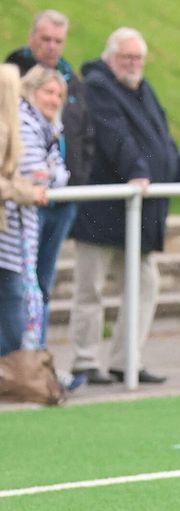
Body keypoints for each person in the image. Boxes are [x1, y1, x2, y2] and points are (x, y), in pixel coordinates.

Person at [68, 28, 180, 385]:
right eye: (126, 57)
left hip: (136, 214)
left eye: (138, 58)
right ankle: (84, 361)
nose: (132, 64)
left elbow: (163, 140)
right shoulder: (98, 87)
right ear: (111, 58)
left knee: (144, 283)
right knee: (91, 287)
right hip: (102, 209)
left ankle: (125, 359)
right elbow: (116, 137)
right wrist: (137, 172)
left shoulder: (144, 89)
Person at [6, 9, 96, 348]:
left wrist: (72, 180)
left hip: (60, 200)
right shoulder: (12, 74)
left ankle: (35, 357)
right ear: (32, 38)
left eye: (58, 40)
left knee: (41, 283)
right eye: (45, 39)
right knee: (17, 285)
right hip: (21, 206)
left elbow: (83, 135)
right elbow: (26, 161)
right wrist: (38, 180)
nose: (51, 46)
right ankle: (17, 358)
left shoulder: (70, 79)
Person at [0, 64, 50, 357]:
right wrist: (27, 192)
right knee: (12, 310)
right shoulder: (3, 128)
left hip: (9, 236)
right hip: (5, 239)